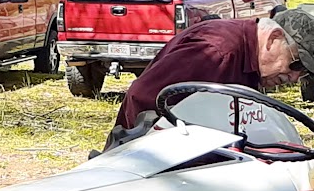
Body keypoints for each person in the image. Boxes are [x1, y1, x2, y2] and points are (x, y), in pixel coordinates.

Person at [108, 16, 297, 145]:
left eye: (303, 75)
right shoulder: (216, 52)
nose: (294, 78)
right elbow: (142, 96)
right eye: (295, 64)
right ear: (273, 38)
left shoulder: (248, 60)